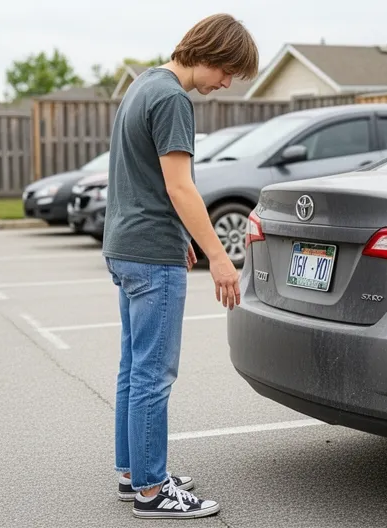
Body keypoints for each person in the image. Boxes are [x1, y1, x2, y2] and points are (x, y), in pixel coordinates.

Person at [101, 13, 259, 520]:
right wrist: (219, 255)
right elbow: (180, 185)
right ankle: (152, 491)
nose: (227, 83)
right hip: (150, 256)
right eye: (228, 71)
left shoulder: (144, 84)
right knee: (154, 372)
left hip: (126, 246)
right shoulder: (173, 99)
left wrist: (182, 236)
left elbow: (143, 176)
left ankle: (133, 474)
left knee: (134, 367)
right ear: (210, 54)